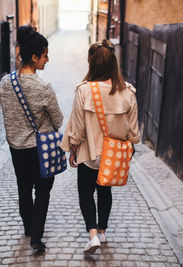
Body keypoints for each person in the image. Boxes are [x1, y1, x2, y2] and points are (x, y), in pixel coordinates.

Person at [61, 39, 140, 253]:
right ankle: (103, 232)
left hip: (90, 153)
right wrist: (127, 146)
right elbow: (133, 134)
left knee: (85, 193)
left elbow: (77, 128)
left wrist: (73, 149)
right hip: (112, 155)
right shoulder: (128, 92)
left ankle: (93, 235)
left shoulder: (84, 91)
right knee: (105, 191)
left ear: (92, 65)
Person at [0, 25, 63, 251]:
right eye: (45, 55)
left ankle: (28, 228)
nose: (47, 59)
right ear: (34, 56)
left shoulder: (5, 83)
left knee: (23, 189)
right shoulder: (44, 87)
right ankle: (36, 237)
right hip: (40, 149)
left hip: (16, 148)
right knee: (43, 191)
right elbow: (58, 120)